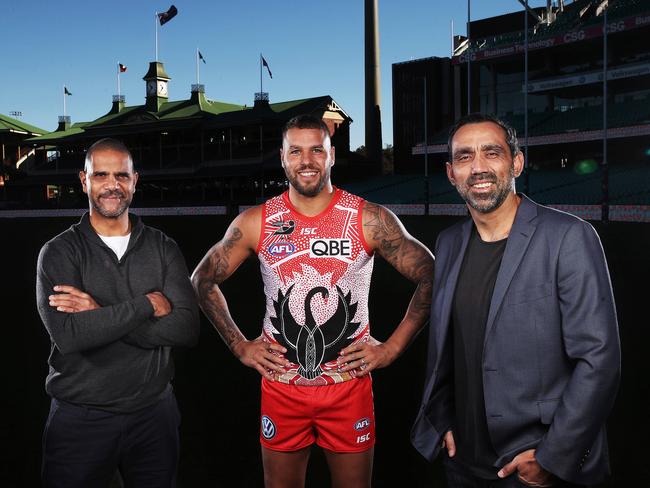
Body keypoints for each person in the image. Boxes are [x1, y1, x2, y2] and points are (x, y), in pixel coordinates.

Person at [192, 114, 434, 488]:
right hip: (281, 388)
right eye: (296, 151)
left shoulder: (367, 218)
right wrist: (239, 345)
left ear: (332, 155)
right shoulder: (258, 221)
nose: (307, 160)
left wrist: (392, 348)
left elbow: (430, 274)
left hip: (348, 386)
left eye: (316, 150)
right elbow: (202, 278)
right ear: (283, 157)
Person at [411, 113, 621, 487]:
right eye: (464, 157)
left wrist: (553, 457)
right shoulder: (448, 243)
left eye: (491, 153)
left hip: (532, 465)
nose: (478, 167)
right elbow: (446, 348)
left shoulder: (569, 237)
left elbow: (599, 359)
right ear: (450, 173)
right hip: (462, 464)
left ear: (517, 162)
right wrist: (441, 418)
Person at [36, 138, 199, 487]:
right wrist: (146, 306)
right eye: (101, 175)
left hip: (154, 415)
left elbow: (186, 328)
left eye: (121, 176)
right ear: (84, 180)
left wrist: (100, 312)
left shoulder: (162, 246)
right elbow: (72, 336)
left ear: (135, 180)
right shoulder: (59, 252)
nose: (112, 185)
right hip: (82, 417)